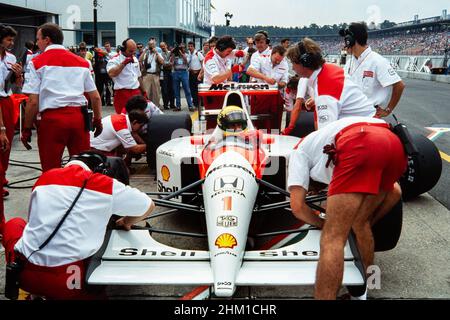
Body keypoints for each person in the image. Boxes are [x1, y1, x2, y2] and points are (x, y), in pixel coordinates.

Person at [1, 151, 155, 300]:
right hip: (69, 282)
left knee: (15, 224)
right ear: (101, 170)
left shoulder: (44, 178)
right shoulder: (103, 183)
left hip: (25, 275)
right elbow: (148, 205)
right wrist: (126, 221)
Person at [287, 117, 407, 300]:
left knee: (333, 238)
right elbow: (395, 191)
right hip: (394, 144)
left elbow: (297, 207)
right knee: (360, 223)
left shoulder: (298, 152)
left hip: (359, 142)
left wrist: (323, 223)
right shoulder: (320, 141)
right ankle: (361, 295)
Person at [21, 23, 103, 172]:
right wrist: (97, 119)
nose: (36, 42)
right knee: (82, 167)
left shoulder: (37, 62)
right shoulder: (83, 63)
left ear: (47, 40)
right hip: (78, 118)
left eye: (38, 39)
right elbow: (95, 97)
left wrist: (26, 128)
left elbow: (33, 101)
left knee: (50, 168)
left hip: (52, 120)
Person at [286, 38, 375, 130]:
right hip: (369, 126)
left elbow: (326, 135)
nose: (292, 68)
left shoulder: (324, 89)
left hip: (366, 131)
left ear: (305, 62)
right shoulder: (329, 70)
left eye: (293, 63)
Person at [341, 22, 405, 118]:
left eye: (345, 40)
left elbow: (399, 85)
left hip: (369, 116)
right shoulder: (350, 62)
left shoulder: (377, 61)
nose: (344, 44)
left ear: (350, 40)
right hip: (350, 114)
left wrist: (387, 110)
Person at [0, 24, 23, 233]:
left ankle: (3, 176)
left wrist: (18, 76)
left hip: (6, 100)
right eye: (8, 39)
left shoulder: (11, 59)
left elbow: (16, 86)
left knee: (5, 144)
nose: (11, 43)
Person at [246, 45, 289, 130]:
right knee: (259, 123)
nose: (277, 62)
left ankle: (275, 140)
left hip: (275, 97)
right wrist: (265, 78)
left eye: (279, 60)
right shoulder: (261, 58)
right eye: (275, 59)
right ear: (271, 54)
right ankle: (259, 139)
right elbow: (249, 71)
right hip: (260, 96)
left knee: (275, 124)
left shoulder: (284, 64)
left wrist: (277, 83)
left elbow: (284, 82)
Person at [107, 38, 145, 114]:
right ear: (123, 49)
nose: (133, 53)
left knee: (138, 118)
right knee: (123, 118)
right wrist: (124, 63)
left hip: (136, 92)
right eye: (131, 51)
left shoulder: (135, 59)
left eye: (134, 51)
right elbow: (111, 73)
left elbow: (138, 77)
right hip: (122, 93)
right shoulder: (114, 60)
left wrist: (144, 92)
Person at [140, 40, 164, 108]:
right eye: (150, 45)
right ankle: (146, 106)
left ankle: (156, 106)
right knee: (146, 92)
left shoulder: (157, 53)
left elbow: (162, 62)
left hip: (155, 75)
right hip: (146, 75)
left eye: (152, 45)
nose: (151, 46)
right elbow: (140, 59)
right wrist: (145, 50)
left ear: (155, 46)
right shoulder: (146, 53)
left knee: (156, 92)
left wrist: (156, 52)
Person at [170, 43, 194, 112]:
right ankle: (178, 106)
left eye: (183, 48)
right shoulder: (175, 55)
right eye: (180, 48)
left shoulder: (187, 55)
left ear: (185, 48)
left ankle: (190, 105)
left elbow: (187, 62)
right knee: (176, 90)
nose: (181, 49)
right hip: (176, 72)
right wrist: (173, 54)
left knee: (187, 90)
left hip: (184, 72)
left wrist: (182, 54)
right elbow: (171, 63)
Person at [187, 41, 204, 108]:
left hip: (198, 73)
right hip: (191, 73)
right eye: (189, 46)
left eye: (191, 46)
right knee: (192, 89)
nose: (190, 47)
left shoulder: (198, 53)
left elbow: (202, 63)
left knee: (198, 89)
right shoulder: (189, 54)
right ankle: (195, 103)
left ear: (194, 47)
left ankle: (201, 103)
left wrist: (201, 73)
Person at [159, 42, 175, 110]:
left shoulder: (171, 53)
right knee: (164, 90)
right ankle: (165, 104)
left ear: (166, 46)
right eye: (161, 46)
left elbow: (172, 63)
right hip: (163, 73)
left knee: (172, 89)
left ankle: (172, 104)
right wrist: (167, 64)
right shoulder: (159, 55)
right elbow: (163, 64)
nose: (163, 47)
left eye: (164, 46)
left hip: (171, 72)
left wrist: (167, 64)